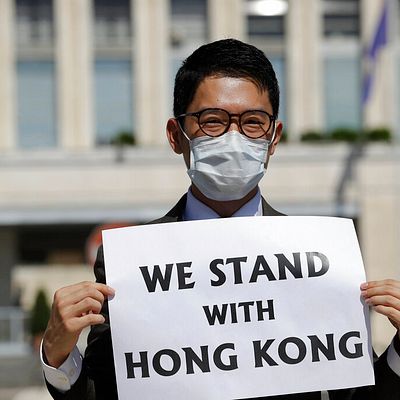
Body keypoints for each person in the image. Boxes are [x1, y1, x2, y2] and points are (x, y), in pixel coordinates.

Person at [41, 39, 400, 400]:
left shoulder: (315, 258)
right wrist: (58, 356)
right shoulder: (131, 265)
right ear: (176, 136)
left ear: (274, 138)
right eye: (212, 121)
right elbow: (104, 390)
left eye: (253, 122)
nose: (233, 137)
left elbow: (356, 394)